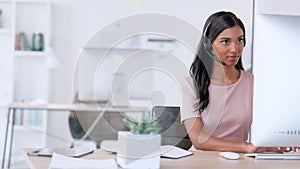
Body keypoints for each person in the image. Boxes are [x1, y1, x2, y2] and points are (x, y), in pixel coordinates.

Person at [180, 11, 282, 153]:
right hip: (200, 161)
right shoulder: (191, 85)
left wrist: (283, 143)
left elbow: (273, 127)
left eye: (240, 40)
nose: (235, 49)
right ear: (208, 45)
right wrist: (245, 147)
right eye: (225, 41)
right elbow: (198, 139)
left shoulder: (254, 83)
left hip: (240, 160)